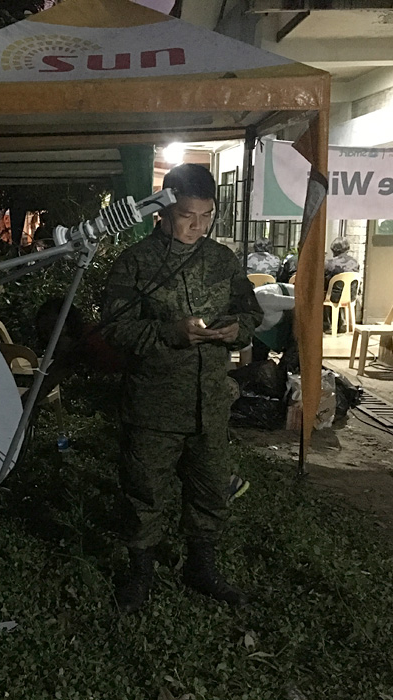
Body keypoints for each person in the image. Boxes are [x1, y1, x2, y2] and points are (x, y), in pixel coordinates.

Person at [100, 163, 263, 612]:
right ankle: (139, 574)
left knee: (210, 491)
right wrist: (169, 332)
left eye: (207, 216)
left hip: (209, 404)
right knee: (144, 493)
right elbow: (114, 329)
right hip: (154, 405)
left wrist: (237, 330)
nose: (198, 226)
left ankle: (201, 567)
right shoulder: (136, 263)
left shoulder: (222, 260)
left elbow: (250, 314)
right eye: (188, 216)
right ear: (164, 210)